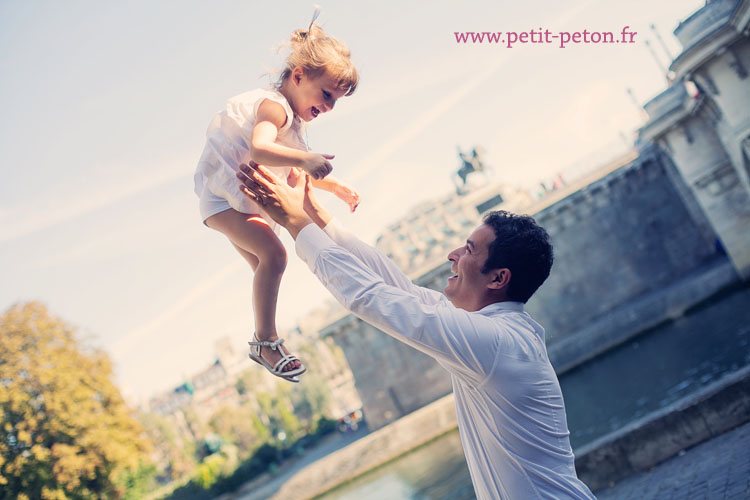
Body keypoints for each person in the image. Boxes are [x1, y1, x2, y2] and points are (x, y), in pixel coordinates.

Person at [237, 163, 597, 499]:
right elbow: (398, 288)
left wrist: (296, 222)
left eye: (469, 249)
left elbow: (373, 297)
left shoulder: (496, 343)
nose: (452, 255)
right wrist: (317, 216)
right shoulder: (495, 332)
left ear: (499, 278)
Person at [192, 16, 360, 382]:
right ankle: (264, 341)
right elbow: (260, 148)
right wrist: (305, 159)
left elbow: (300, 173)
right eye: (326, 95)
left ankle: (268, 339)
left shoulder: (295, 126)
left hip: (237, 202)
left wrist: (337, 186)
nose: (330, 107)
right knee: (275, 256)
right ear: (298, 76)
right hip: (223, 201)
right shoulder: (275, 107)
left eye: (336, 101)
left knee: (264, 270)